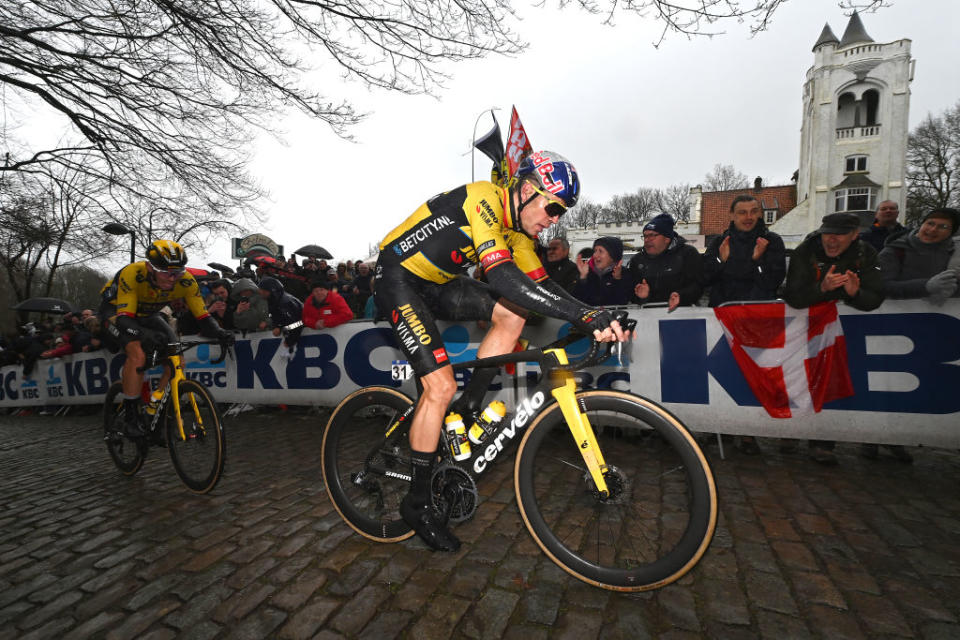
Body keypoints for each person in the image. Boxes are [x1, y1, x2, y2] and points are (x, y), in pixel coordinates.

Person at [375, 149, 627, 552]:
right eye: (554, 205)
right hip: (399, 278)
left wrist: (591, 312)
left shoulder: (518, 233)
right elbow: (503, 278)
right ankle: (416, 503)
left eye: (563, 211)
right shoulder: (483, 198)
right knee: (437, 387)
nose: (555, 218)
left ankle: (470, 405)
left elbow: (541, 289)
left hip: (439, 282)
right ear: (527, 190)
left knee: (513, 316)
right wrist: (585, 317)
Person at [99, 240, 233, 437]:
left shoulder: (186, 281)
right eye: (166, 272)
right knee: (137, 353)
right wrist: (144, 335)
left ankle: (154, 408)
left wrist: (220, 333)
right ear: (149, 268)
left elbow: (203, 317)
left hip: (149, 314)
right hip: (117, 313)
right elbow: (125, 321)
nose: (172, 279)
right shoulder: (133, 274)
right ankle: (130, 416)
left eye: (177, 272)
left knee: (176, 356)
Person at [783, 213, 885, 465]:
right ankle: (789, 432)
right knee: (798, 380)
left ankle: (823, 441)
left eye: (839, 235)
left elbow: (875, 297)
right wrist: (823, 290)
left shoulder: (866, 254)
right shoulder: (806, 251)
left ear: (854, 235)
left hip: (843, 331)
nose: (831, 240)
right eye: (828, 233)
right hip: (803, 329)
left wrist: (854, 293)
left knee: (833, 382)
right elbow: (793, 296)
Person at [702, 195, 787, 455]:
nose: (748, 217)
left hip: (756, 319)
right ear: (732, 215)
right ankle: (723, 427)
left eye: (753, 212)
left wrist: (756, 260)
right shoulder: (719, 242)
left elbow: (773, 279)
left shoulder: (771, 242)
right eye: (742, 212)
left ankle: (750, 431)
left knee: (755, 375)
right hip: (723, 319)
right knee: (724, 373)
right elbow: (705, 275)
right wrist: (721, 260)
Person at [878, 207, 960, 301]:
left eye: (943, 227)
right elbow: (879, 286)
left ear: (951, 233)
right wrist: (925, 287)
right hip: (897, 313)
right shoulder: (895, 251)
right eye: (930, 223)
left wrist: (951, 291)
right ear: (922, 225)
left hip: (945, 314)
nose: (933, 229)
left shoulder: (955, 253)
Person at [628, 213, 702, 311]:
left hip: (682, 314)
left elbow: (698, 286)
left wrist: (681, 296)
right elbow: (632, 294)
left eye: (652, 235)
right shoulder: (637, 260)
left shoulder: (687, 254)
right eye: (645, 236)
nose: (647, 240)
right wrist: (642, 296)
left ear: (667, 239)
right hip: (648, 317)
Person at [572, 236, 632, 305]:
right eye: (595, 251)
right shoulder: (587, 272)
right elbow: (576, 301)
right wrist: (583, 278)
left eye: (600, 251)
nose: (595, 255)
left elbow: (622, 302)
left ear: (612, 256)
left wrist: (617, 280)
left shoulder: (625, 273)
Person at [258, 276, 304, 360]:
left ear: (272, 291)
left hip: (301, 334)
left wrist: (288, 341)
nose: (260, 292)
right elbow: (277, 317)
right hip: (293, 333)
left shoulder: (285, 302)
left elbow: (298, 323)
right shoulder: (273, 300)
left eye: (264, 291)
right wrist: (277, 326)